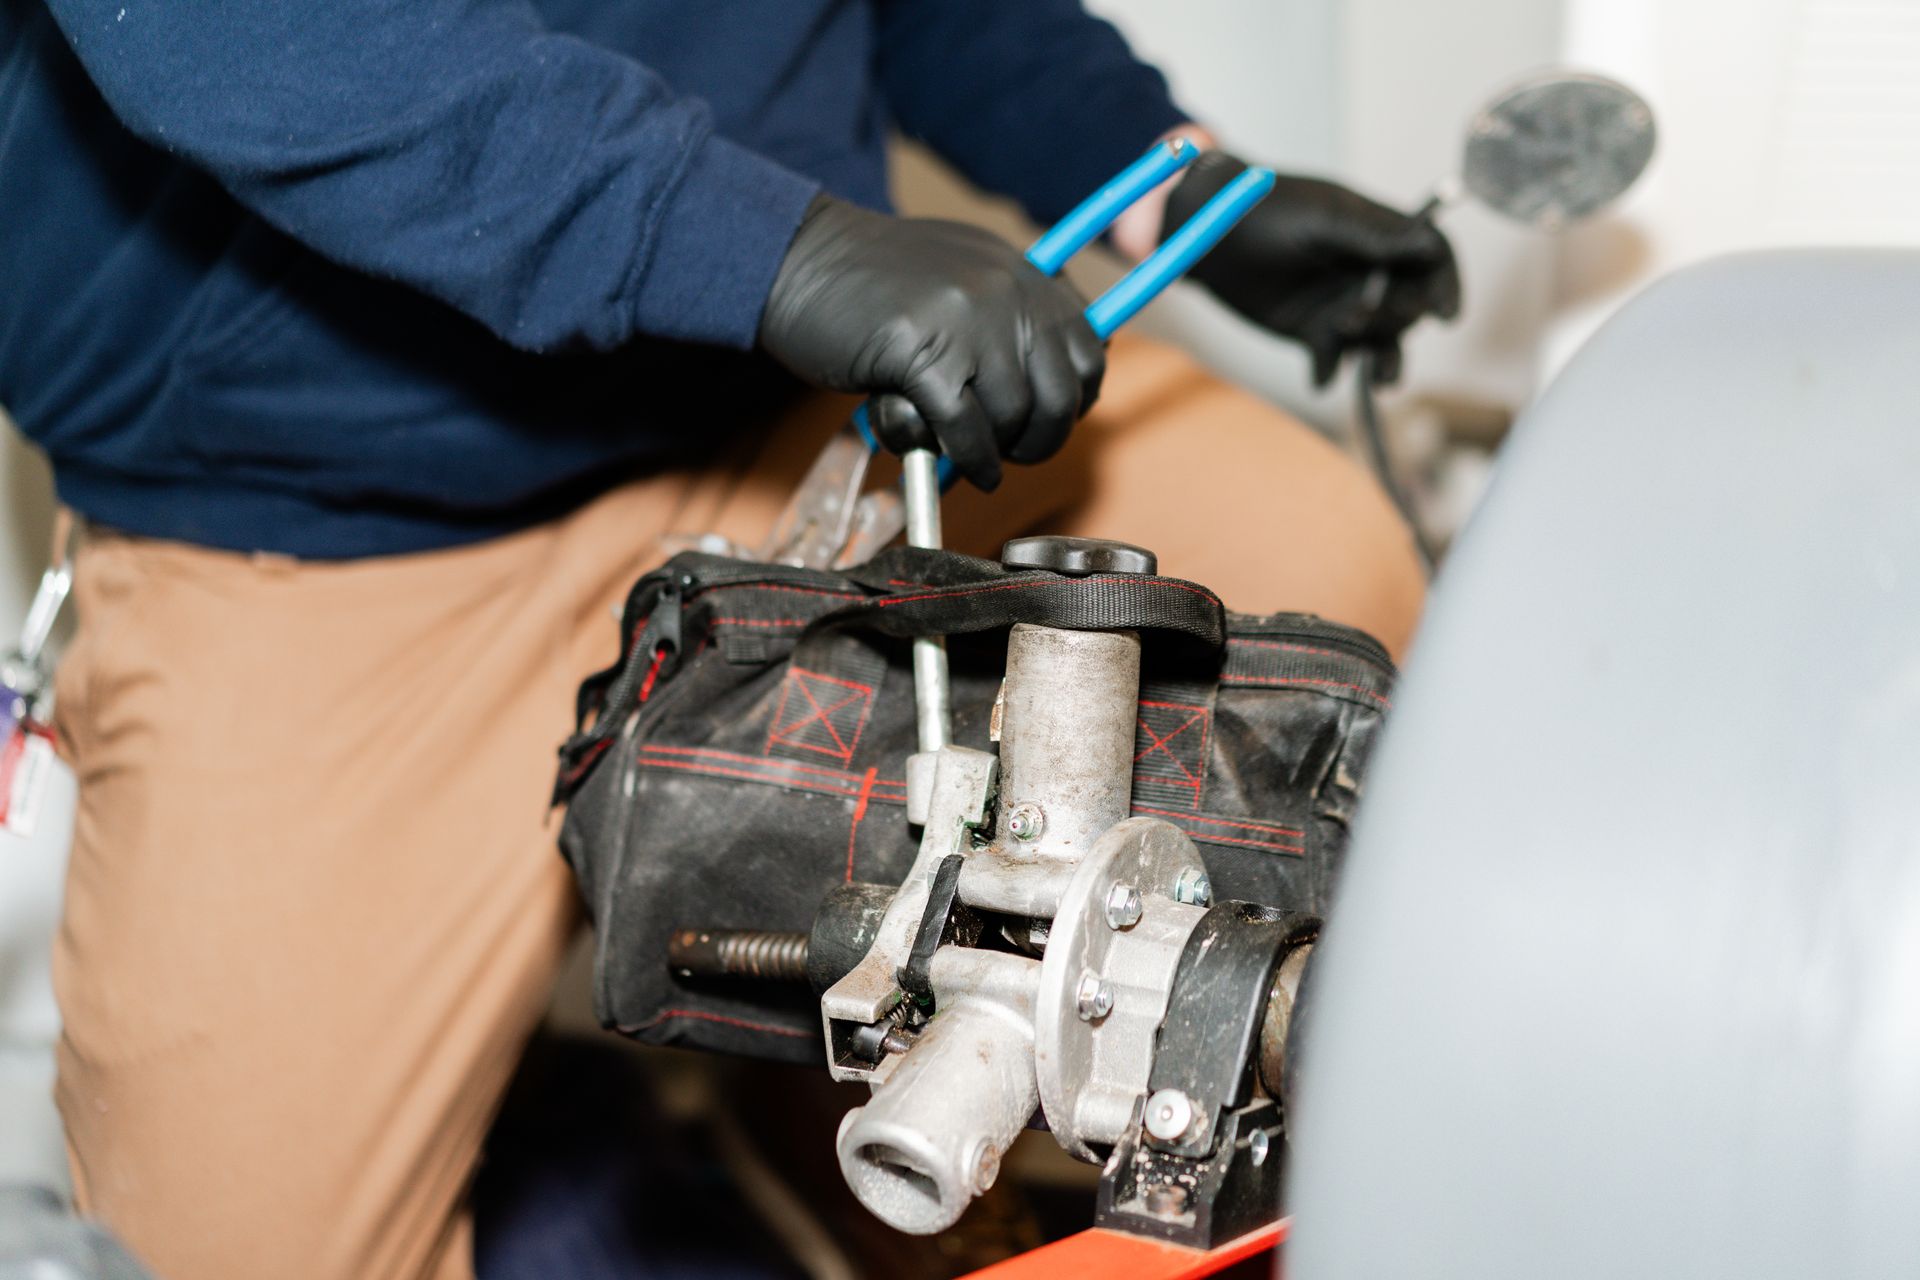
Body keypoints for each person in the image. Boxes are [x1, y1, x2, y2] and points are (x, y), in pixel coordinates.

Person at [0, 1, 1457, 1276]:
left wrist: (1157, 173)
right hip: (317, 517)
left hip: (784, 414)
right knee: (228, 1252)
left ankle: (839, 1085)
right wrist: (768, 249)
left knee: (1330, 610)